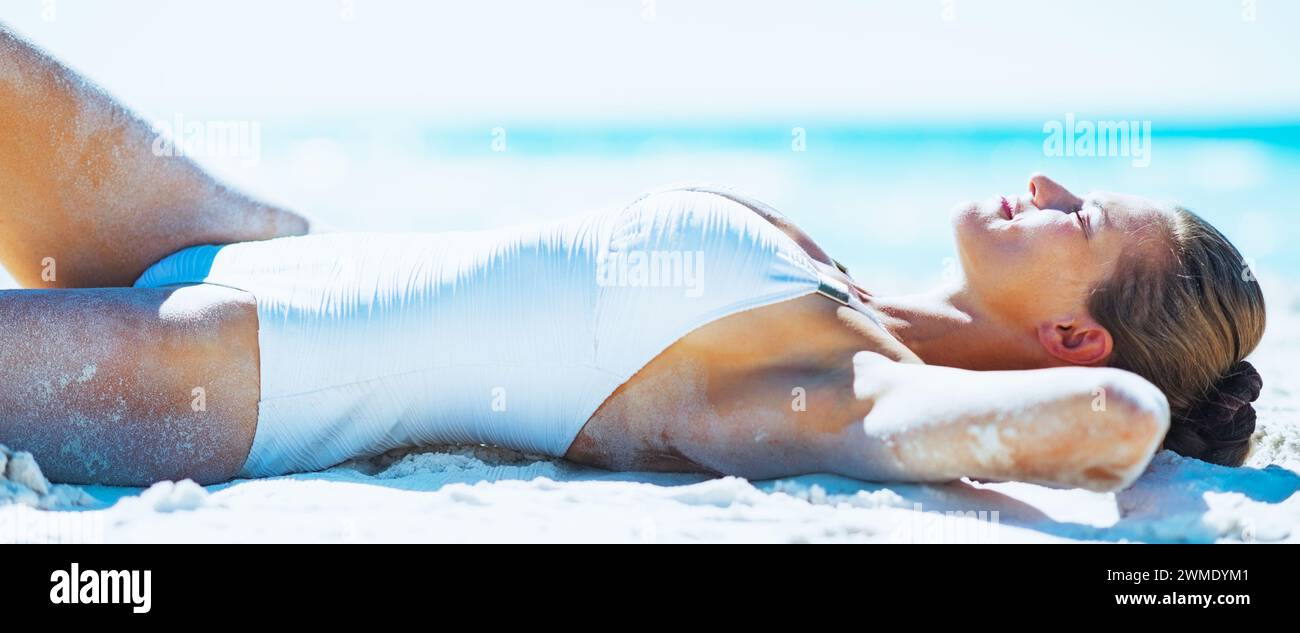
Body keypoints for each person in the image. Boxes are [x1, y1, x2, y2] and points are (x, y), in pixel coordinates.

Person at [0, 26, 1264, 492]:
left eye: (1080, 216)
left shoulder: (846, 387)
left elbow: (1113, 415)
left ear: (1070, 335)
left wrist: (1151, 429)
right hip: (231, 241)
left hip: (225, 374)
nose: (1046, 184)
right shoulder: (822, 275)